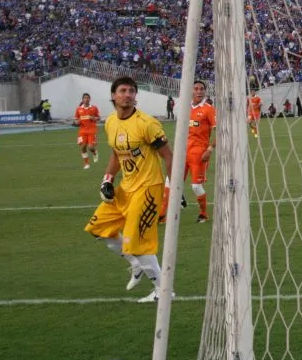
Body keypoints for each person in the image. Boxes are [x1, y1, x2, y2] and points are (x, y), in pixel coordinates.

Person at [84, 76, 174, 303]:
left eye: (132, 91)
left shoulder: (147, 123)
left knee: (137, 240)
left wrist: (171, 190)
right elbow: (116, 153)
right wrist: (107, 179)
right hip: (126, 187)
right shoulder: (111, 122)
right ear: (113, 95)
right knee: (98, 228)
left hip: (148, 188)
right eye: (123, 90)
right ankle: (136, 265)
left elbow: (168, 156)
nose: (128, 94)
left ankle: (163, 292)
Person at [160, 80, 215, 224]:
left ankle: (203, 214)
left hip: (199, 154)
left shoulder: (209, 109)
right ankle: (161, 215)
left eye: (201, 89)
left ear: (205, 92)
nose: (199, 91)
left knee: (196, 186)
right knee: (170, 180)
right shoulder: (185, 108)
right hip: (182, 152)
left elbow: (219, 130)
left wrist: (210, 149)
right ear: (191, 91)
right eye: (196, 88)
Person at [73, 93, 101, 169]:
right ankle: (86, 164)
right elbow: (75, 119)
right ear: (82, 99)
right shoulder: (79, 109)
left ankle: (95, 153)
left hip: (92, 130)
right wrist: (77, 122)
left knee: (91, 147)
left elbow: (98, 118)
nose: (86, 99)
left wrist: (94, 118)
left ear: (90, 99)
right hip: (82, 131)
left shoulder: (94, 108)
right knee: (83, 147)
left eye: (88, 98)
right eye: (85, 98)